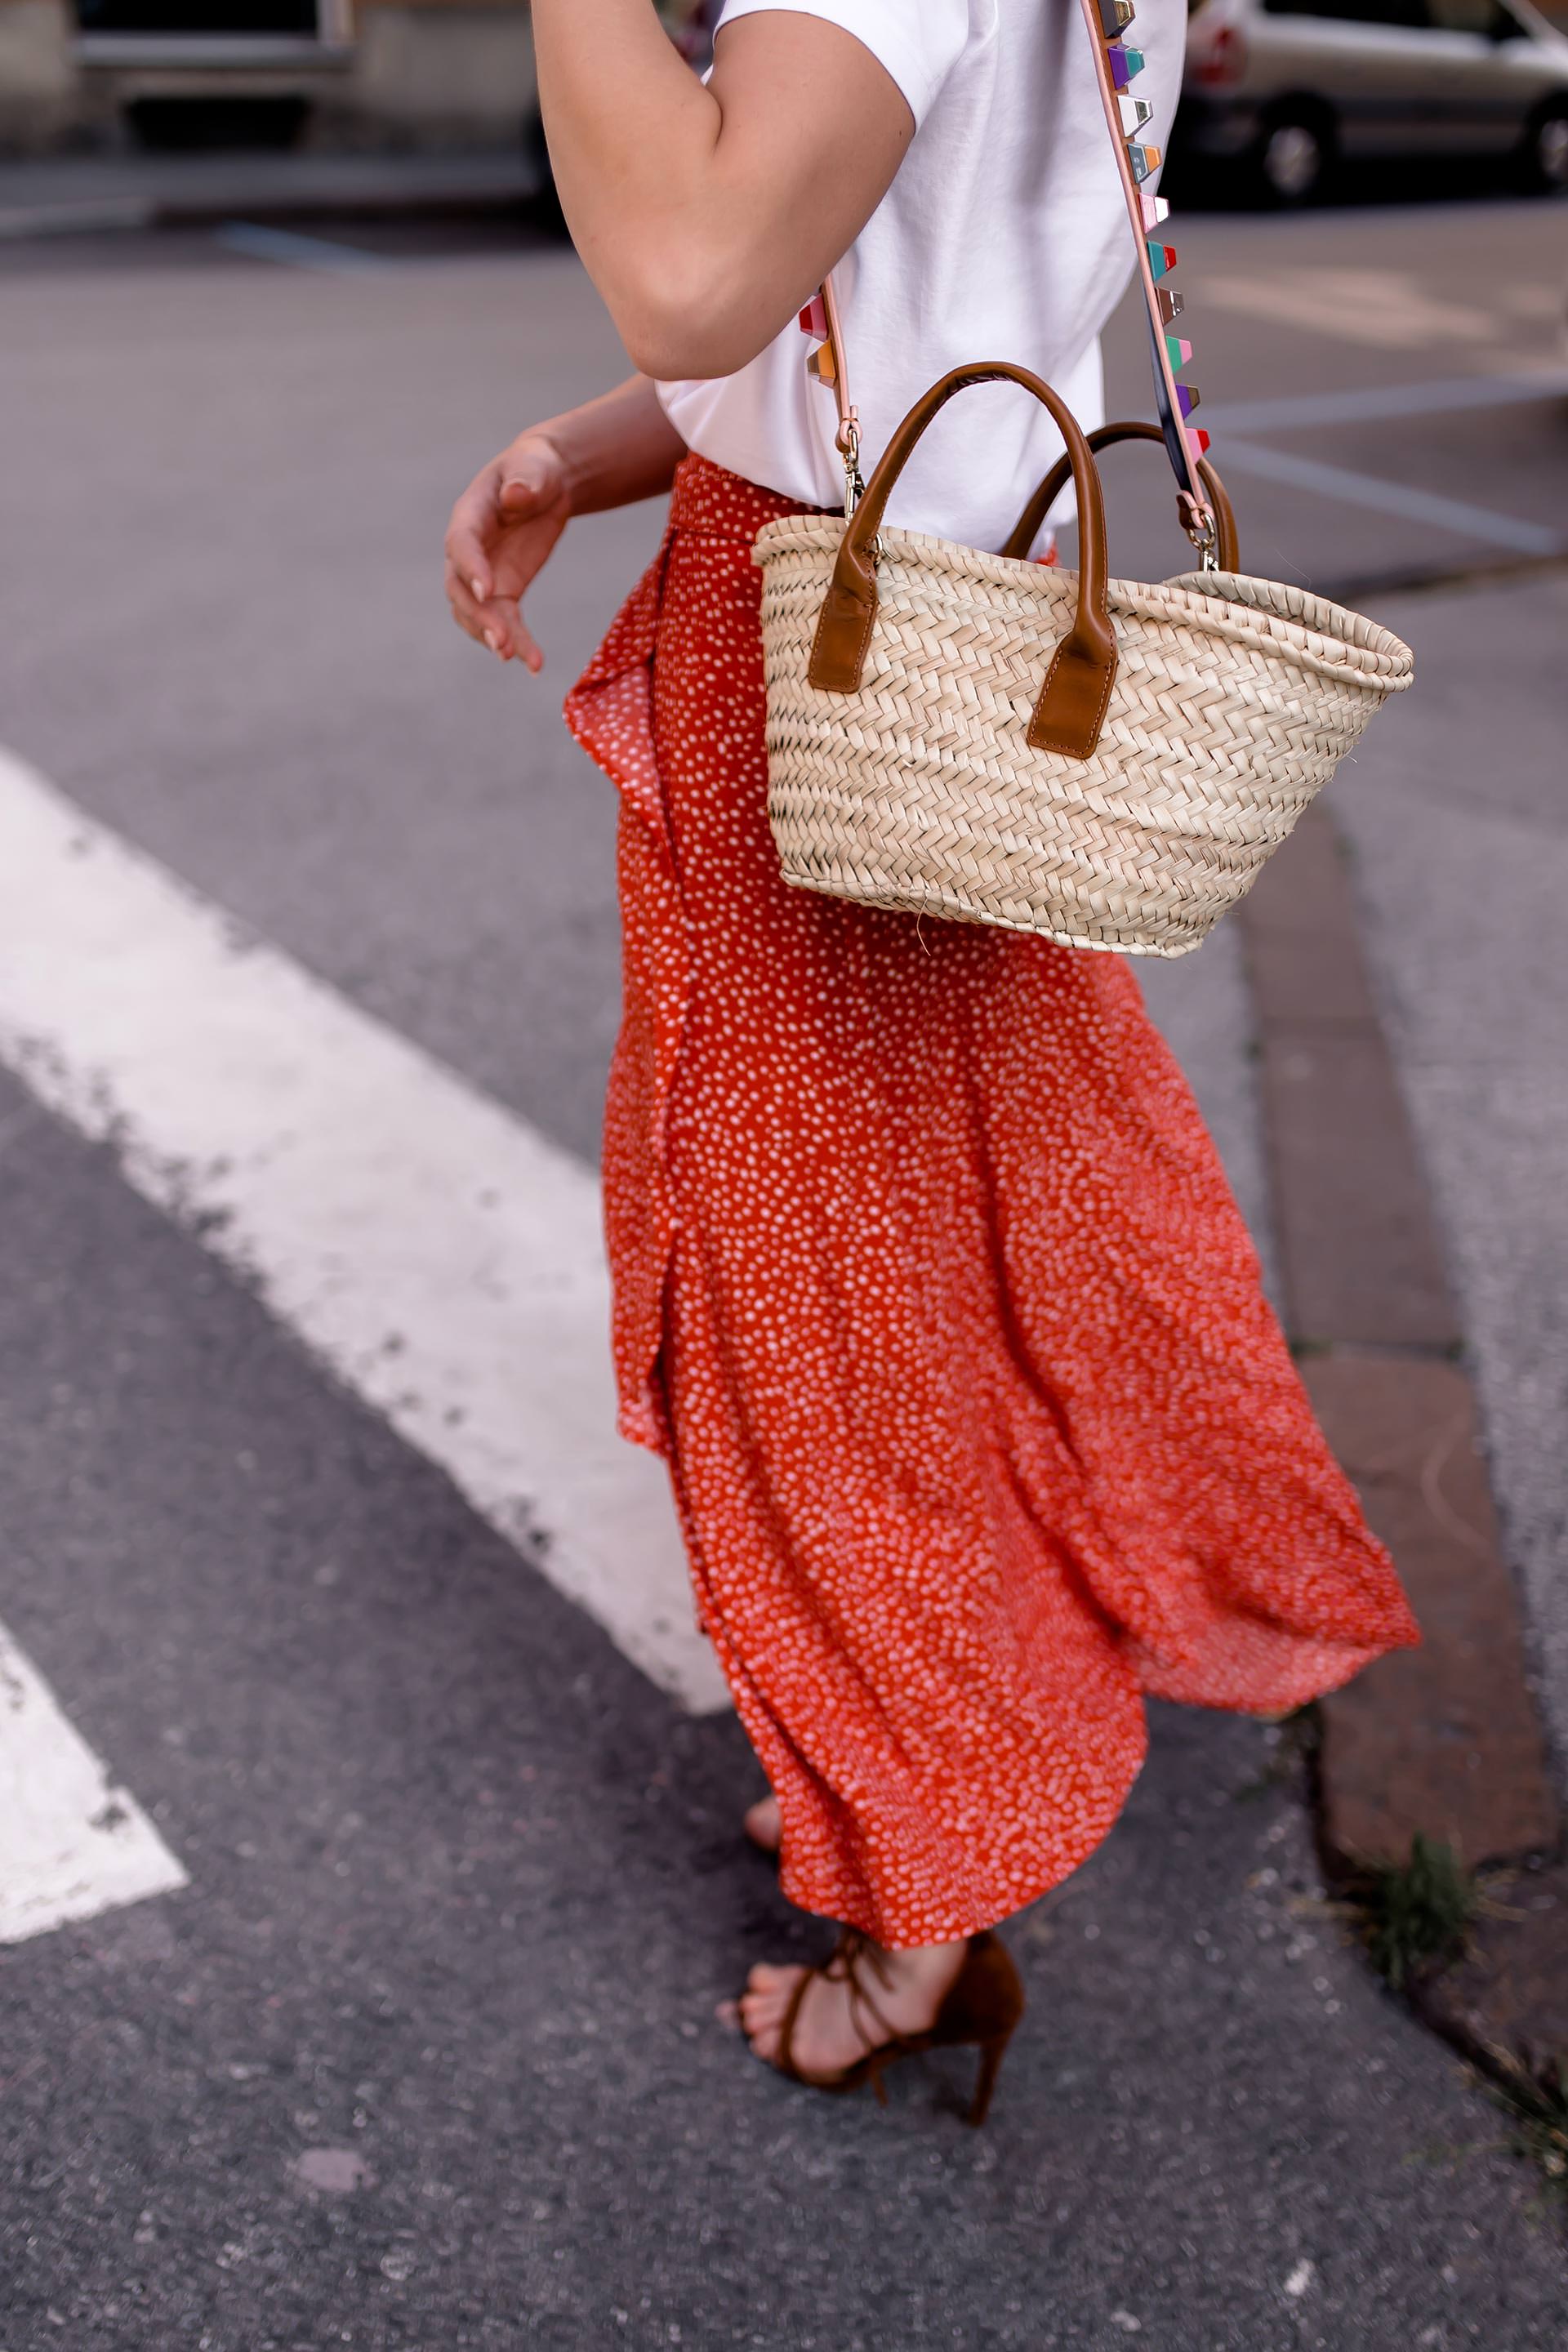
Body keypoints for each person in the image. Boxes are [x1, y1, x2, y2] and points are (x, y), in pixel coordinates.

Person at [443, 0, 1419, 2127]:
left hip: (827, 667)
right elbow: (878, 307)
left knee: (813, 1321)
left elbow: (701, 263)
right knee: (978, 1242)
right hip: (915, 643)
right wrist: (586, 454)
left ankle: (917, 1899)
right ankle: (905, 1742)